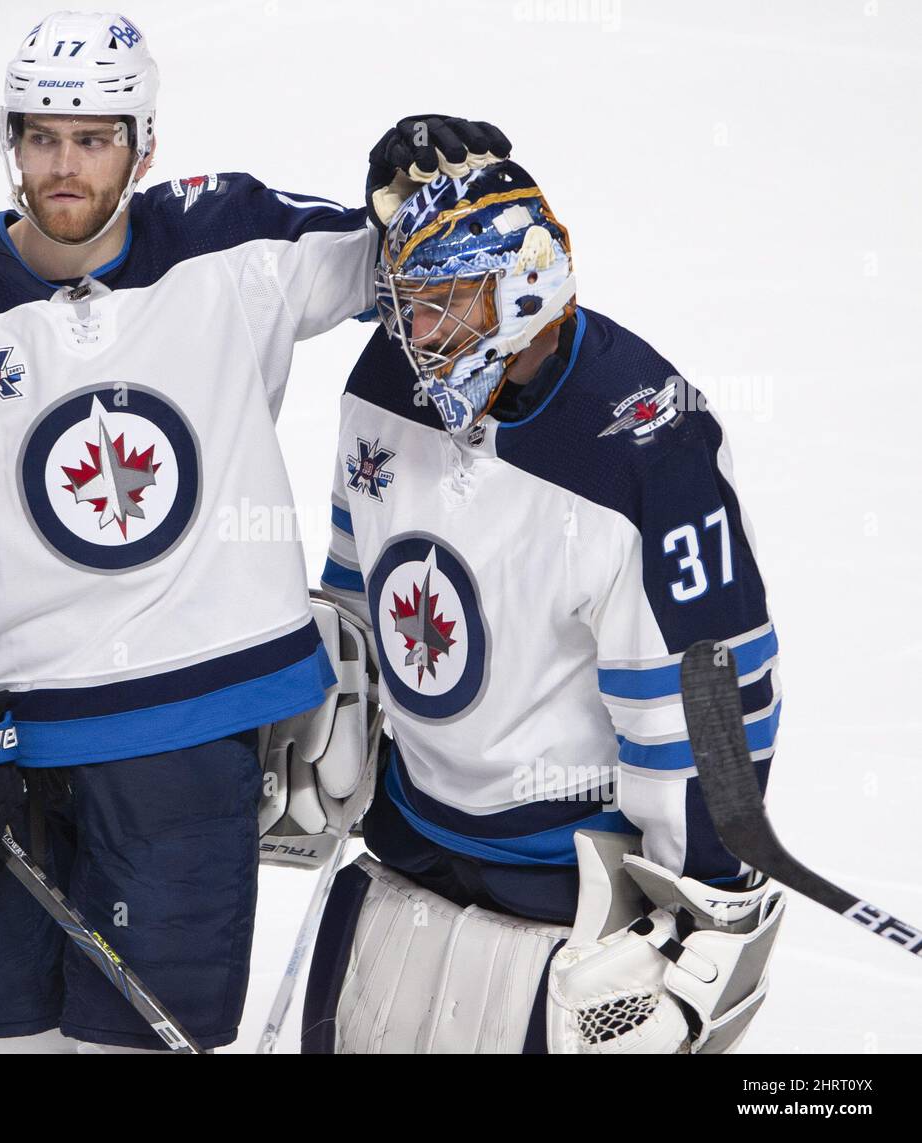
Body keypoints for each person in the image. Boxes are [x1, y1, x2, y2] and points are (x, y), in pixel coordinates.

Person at [0, 9, 503, 1053]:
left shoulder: (231, 240)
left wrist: (436, 179)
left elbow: (413, 270)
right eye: (39, 137)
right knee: (15, 1044)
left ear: (144, 145)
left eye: (92, 139)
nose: (62, 166)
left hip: (187, 738)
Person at [303, 159, 786, 1054]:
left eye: (442, 301)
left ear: (524, 291)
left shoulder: (648, 450)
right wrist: (332, 693)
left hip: (565, 894)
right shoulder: (386, 380)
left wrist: (710, 911)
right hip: (409, 846)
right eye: (405, 299)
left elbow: (707, 702)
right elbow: (356, 576)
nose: (412, 329)